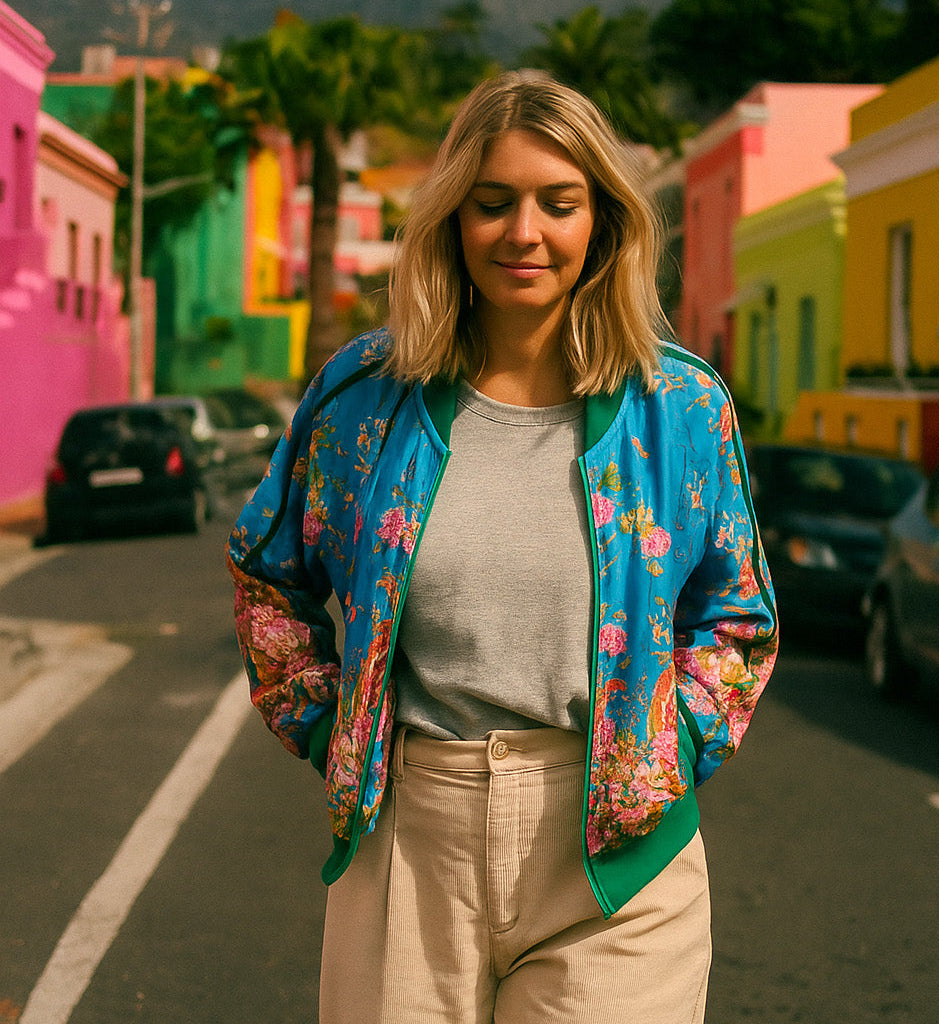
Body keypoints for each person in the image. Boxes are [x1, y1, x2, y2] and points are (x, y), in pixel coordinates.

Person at [227, 69, 778, 1024]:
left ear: (602, 222)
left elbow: (737, 617)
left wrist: (670, 750)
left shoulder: (680, 409)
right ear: (452, 219)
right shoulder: (362, 399)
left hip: (617, 861)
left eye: (558, 204)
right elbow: (264, 575)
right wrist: (329, 727)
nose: (524, 232)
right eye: (494, 203)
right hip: (410, 840)